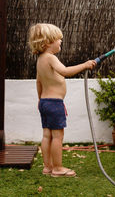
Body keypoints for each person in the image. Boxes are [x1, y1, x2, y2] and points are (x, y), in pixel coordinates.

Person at [28, 23, 96, 177]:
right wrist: (84, 65)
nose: (61, 42)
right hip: (54, 103)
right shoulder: (51, 58)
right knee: (57, 136)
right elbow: (65, 71)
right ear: (47, 43)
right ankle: (58, 168)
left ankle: (47, 167)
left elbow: (38, 82)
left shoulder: (40, 60)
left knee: (47, 135)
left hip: (45, 102)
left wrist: (40, 100)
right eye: (58, 40)